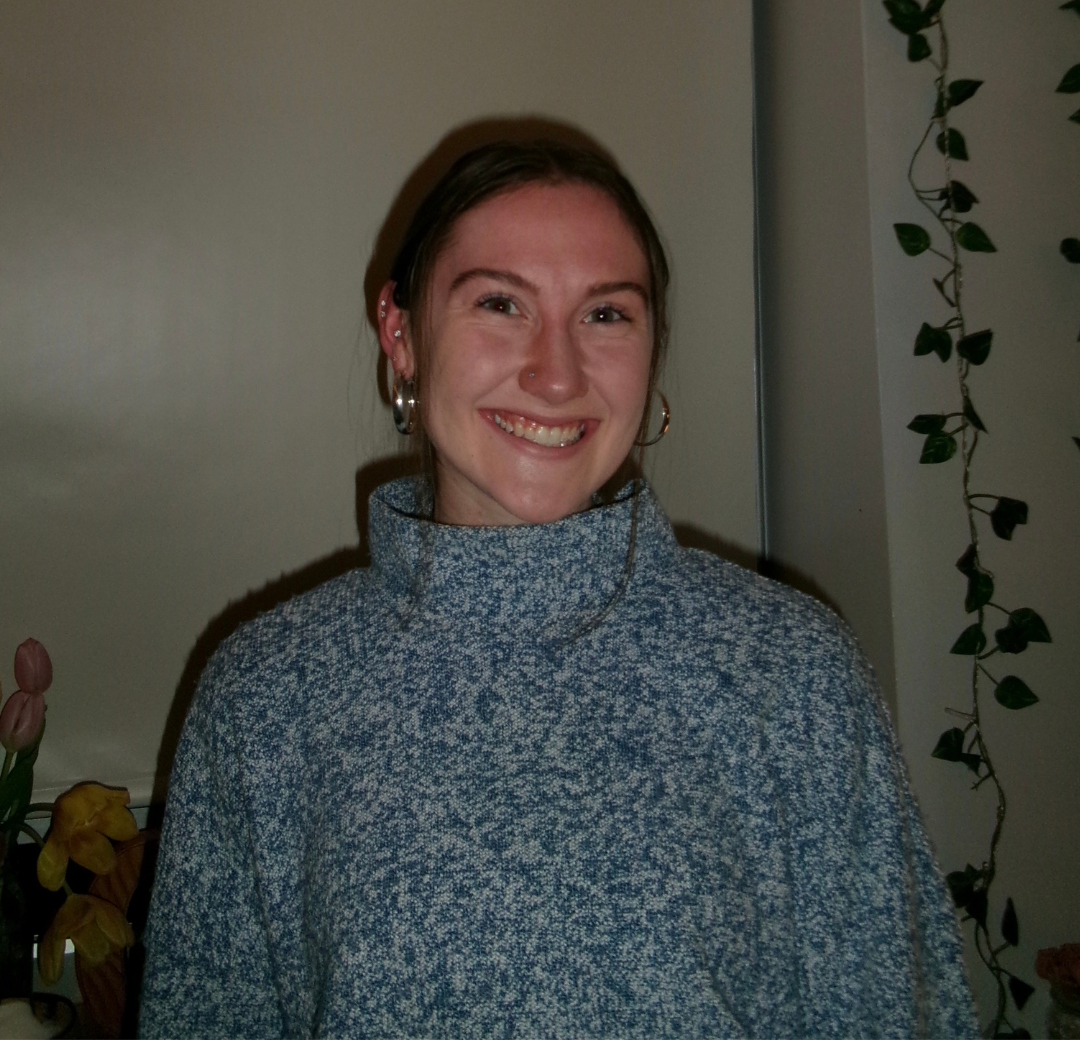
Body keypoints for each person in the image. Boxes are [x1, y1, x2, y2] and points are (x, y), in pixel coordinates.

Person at [139, 140, 977, 1038]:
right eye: (500, 303)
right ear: (402, 333)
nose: (557, 373)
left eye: (607, 315)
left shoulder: (791, 672)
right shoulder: (265, 697)